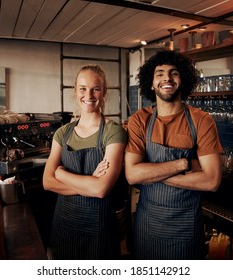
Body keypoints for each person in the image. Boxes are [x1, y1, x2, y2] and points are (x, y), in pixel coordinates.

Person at [125, 49, 223, 260]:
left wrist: (152, 173)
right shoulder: (139, 120)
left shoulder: (202, 121)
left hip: (186, 228)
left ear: (183, 80)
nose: (166, 78)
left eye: (174, 73)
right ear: (151, 83)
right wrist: (185, 163)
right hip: (146, 226)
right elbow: (132, 175)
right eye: (159, 73)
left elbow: (212, 181)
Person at [42, 64, 127, 260]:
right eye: (83, 88)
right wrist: (89, 182)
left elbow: (101, 189)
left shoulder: (113, 132)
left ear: (104, 92)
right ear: (75, 91)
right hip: (64, 225)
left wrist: (61, 174)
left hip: (99, 229)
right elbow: (47, 182)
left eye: (95, 88)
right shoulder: (63, 133)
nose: (88, 95)